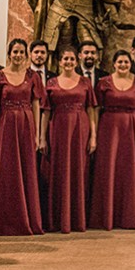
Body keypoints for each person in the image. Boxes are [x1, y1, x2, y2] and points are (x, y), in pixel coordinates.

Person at [0, 38, 45, 236]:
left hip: (26, 126)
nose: (18, 55)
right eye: (15, 52)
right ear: (9, 53)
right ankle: (4, 220)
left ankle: (28, 218)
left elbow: (36, 105)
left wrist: (37, 134)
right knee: (7, 170)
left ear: (26, 54)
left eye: (22, 52)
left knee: (27, 170)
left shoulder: (33, 76)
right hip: (6, 126)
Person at [91, 50, 135, 230]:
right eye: (120, 62)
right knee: (109, 169)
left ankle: (129, 216)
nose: (123, 65)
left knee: (129, 170)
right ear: (114, 64)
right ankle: (107, 215)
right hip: (109, 129)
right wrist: (94, 134)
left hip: (132, 129)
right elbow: (94, 108)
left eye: (126, 62)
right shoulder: (103, 83)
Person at [41, 45, 98, 233]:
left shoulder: (85, 82)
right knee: (59, 171)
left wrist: (93, 137)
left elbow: (91, 109)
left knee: (78, 171)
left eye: (72, 59)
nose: (69, 62)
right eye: (65, 59)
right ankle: (58, 219)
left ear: (77, 61)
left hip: (80, 129)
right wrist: (42, 137)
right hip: (58, 129)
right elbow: (46, 111)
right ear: (60, 61)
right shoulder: (51, 82)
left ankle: (76, 219)